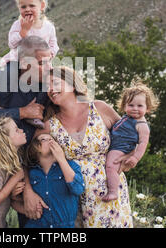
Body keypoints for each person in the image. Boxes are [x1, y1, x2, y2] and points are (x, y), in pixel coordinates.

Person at [32, 66, 134, 228]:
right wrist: (28, 192)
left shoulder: (100, 109)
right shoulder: (49, 125)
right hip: (72, 195)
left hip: (110, 191)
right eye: (47, 86)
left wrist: (129, 157)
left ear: (73, 85)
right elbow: (29, 158)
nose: (51, 89)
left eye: (55, 83)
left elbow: (130, 136)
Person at [0, 35, 53, 227]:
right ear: (25, 62)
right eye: (43, 63)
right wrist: (22, 112)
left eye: (50, 62)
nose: (49, 68)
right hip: (4, 163)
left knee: (36, 216)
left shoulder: (46, 82)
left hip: (35, 161)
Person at [0, 0, 59, 130]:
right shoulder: (18, 24)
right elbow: (12, 43)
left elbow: (54, 45)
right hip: (18, 60)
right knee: (9, 74)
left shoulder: (48, 27)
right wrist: (23, 31)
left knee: (47, 83)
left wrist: (51, 53)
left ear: (42, 6)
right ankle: (2, 104)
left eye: (31, 5)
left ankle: (37, 112)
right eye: (23, 7)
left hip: (41, 62)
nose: (27, 9)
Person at [102, 82, 159, 202]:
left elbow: (143, 143)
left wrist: (135, 158)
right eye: (131, 105)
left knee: (111, 166)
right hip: (115, 146)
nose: (135, 109)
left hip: (121, 149)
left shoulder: (141, 125)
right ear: (124, 106)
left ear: (147, 108)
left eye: (140, 106)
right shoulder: (126, 117)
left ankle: (113, 192)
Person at [15, 133, 85, 228]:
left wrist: (61, 159)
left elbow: (78, 189)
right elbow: (15, 201)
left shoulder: (71, 166)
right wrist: (27, 210)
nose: (50, 141)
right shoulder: (32, 173)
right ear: (35, 148)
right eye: (44, 139)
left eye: (52, 139)